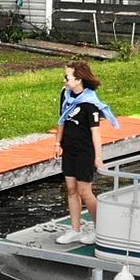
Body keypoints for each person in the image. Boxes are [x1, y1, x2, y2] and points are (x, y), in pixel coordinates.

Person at [53, 62, 119, 244]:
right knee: (71, 189)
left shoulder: (90, 103)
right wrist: (57, 143)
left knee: (85, 192)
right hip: (69, 149)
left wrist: (98, 158)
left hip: (84, 151)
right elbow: (62, 120)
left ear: (79, 80)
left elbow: (95, 133)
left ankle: (100, 229)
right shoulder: (65, 95)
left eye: (67, 77)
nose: (64, 80)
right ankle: (75, 229)